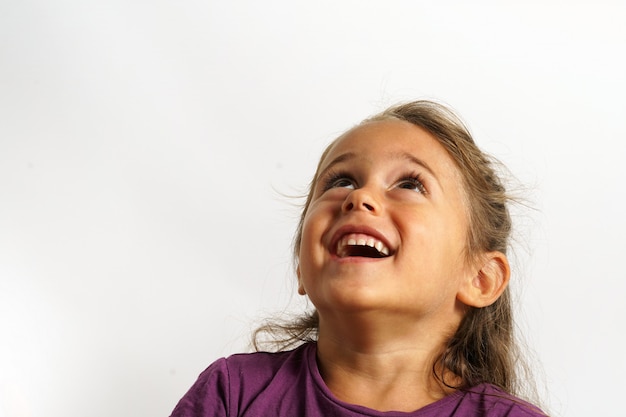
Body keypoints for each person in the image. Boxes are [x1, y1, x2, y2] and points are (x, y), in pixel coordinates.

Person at [169, 100, 547, 416]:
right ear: (302, 269)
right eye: (341, 181)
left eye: (410, 184)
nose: (359, 196)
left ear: (480, 278)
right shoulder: (233, 394)